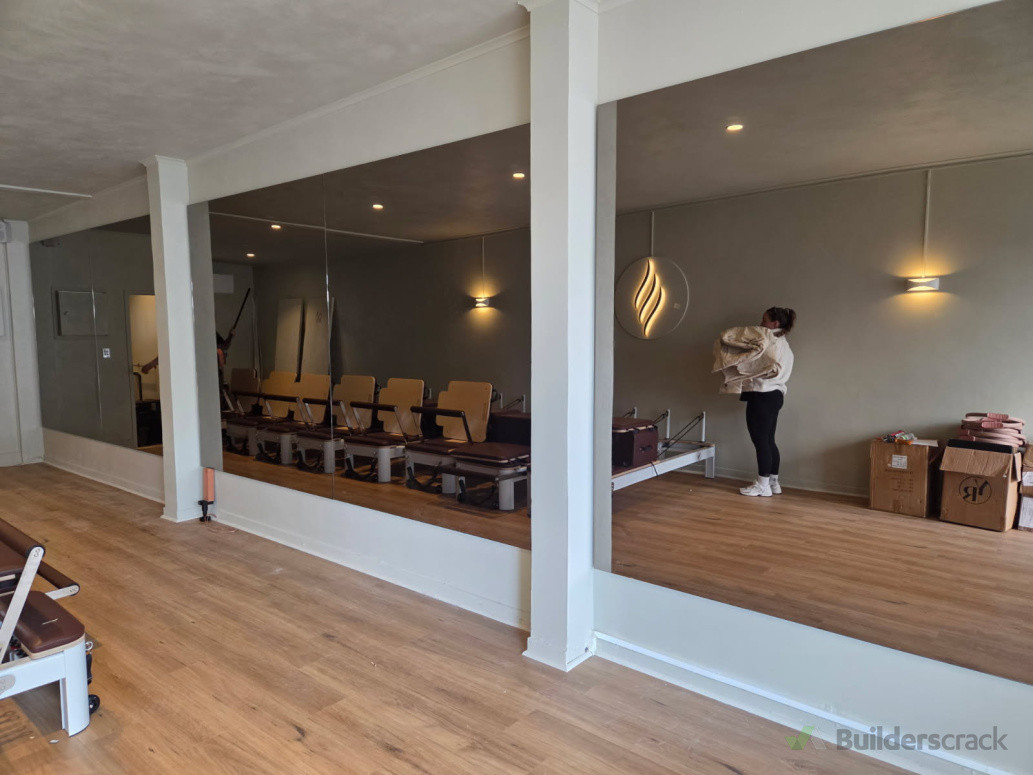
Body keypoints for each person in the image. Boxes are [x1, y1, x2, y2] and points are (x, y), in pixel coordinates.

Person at [739, 307, 795, 497]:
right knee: (769, 440)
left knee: (761, 441)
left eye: (764, 320)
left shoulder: (768, 342)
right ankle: (773, 483)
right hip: (776, 395)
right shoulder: (785, 346)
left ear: (775, 324)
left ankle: (762, 485)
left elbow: (753, 365)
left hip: (762, 394)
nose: (760, 323)